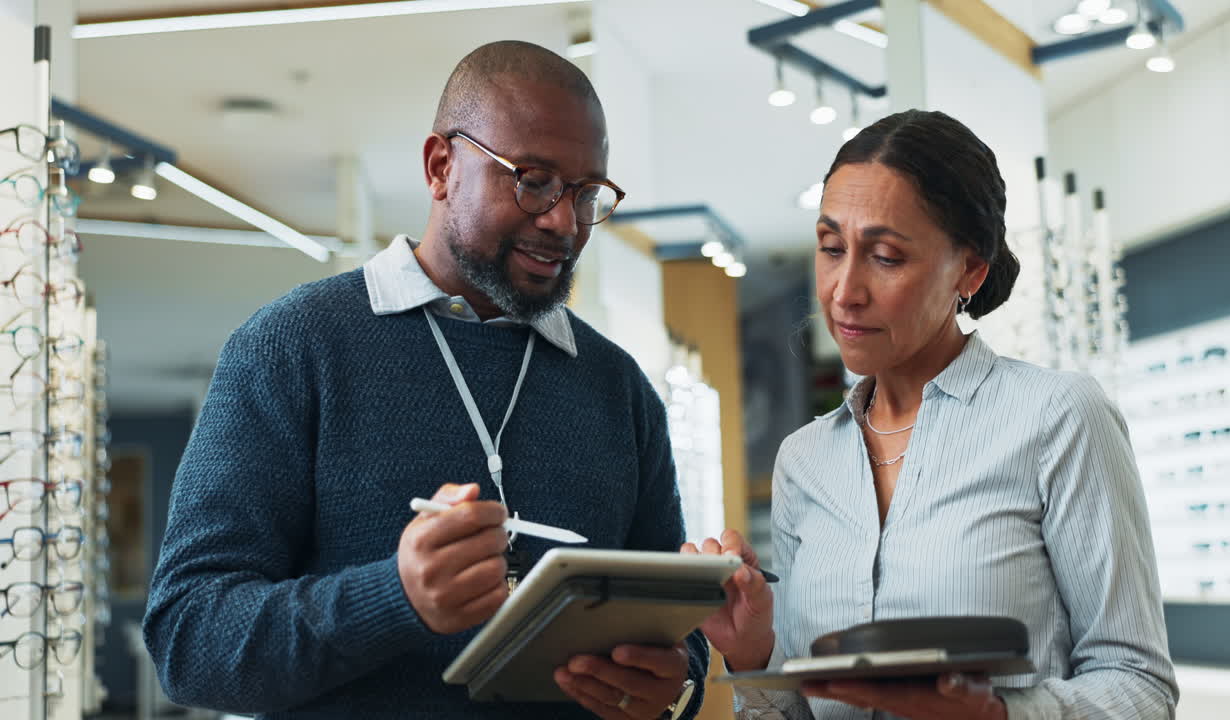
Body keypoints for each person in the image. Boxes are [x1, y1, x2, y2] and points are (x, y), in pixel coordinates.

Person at [143, 40, 707, 720]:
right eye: (532, 179)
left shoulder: (619, 390)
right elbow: (188, 641)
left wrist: (674, 681)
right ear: (442, 168)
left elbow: (674, 633)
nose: (562, 220)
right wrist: (393, 599)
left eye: (587, 194)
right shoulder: (292, 347)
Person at [684, 110, 1177, 720]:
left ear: (969, 269)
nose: (844, 290)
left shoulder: (1059, 418)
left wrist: (997, 715)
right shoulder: (803, 461)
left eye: (886, 256)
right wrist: (754, 654)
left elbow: (1139, 686)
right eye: (831, 248)